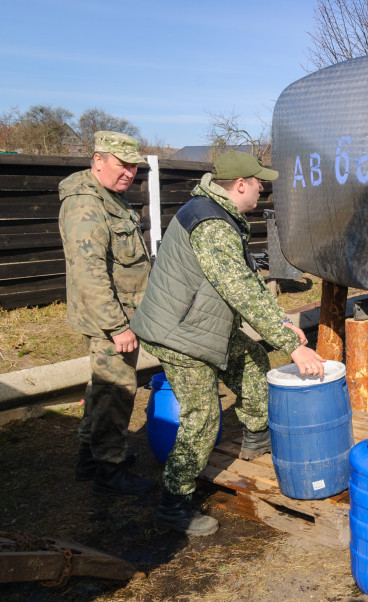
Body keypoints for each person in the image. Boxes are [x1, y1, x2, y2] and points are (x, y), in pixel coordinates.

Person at [131, 151, 325, 536]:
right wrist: (292, 346)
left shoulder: (216, 211)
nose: (262, 190)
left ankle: (256, 439)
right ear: (239, 185)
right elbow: (240, 290)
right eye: (258, 183)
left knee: (252, 363)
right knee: (202, 418)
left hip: (198, 322)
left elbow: (246, 279)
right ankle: (174, 504)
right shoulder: (212, 225)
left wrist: (282, 325)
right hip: (180, 333)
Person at [58, 131, 156, 496]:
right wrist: (116, 326)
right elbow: (88, 272)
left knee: (102, 387)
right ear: (98, 160)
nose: (129, 173)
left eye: (134, 166)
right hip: (110, 318)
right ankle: (110, 471)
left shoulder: (109, 195)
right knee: (116, 389)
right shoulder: (86, 204)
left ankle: (90, 457)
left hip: (121, 311)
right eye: (122, 164)